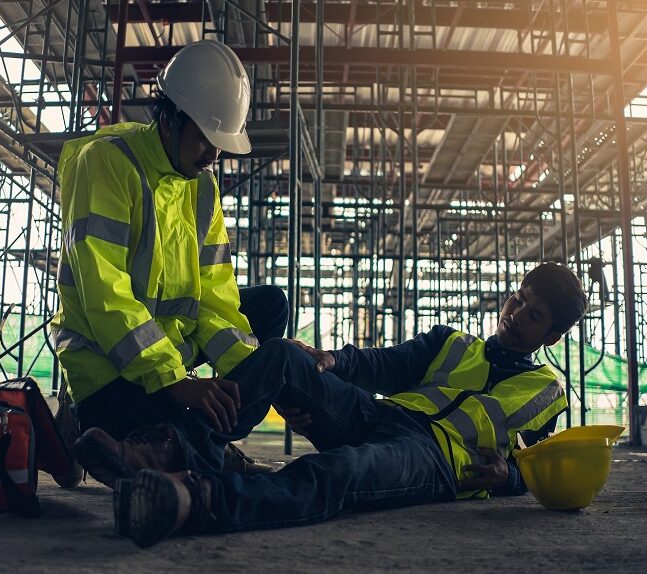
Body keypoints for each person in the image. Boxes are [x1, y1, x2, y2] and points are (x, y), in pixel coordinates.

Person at [75, 262, 587, 547]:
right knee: (279, 356)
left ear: (555, 334)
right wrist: (330, 362)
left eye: (535, 314)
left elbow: (536, 462)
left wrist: (509, 479)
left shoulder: (548, 390)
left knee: (336, 471)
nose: (516, 314)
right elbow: (385, 364)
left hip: (433, 460)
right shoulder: (454, 342)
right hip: (378, 414)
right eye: (518, 299)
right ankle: (170, 449)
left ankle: (195, 499)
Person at [50, 40, 287, 475]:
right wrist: (175, 382)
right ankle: (147, 435)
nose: (214, 155)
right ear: (169, 117)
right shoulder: (105, 163)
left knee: (271, 308)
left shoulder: (202, 187)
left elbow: (217, 299)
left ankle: (173, 444)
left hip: (170, 357)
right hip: (109, 372)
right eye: (205, 139)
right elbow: (107, 297)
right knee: (166, 408)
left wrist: (261, 379)